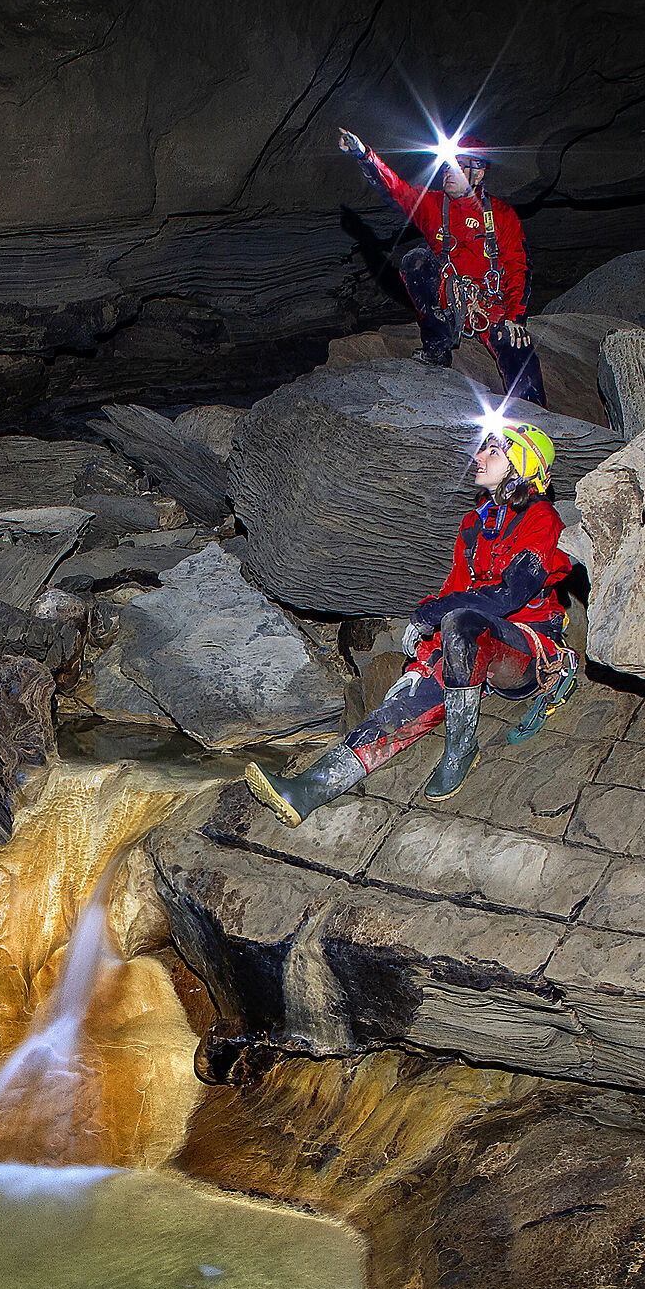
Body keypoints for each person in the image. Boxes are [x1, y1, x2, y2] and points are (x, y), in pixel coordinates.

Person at [246, 421, 579, 826]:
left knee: (461, 620)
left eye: (492, 451)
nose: (478, 457)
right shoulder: (474, 525)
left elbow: (508, 597)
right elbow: (455, 588)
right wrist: (421, 665)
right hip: (469, 649)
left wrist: (431, 614)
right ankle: (306, 790)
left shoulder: (542, 519)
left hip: (525, 649)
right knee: (397, 710)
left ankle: (460, 749)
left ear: (521, 463)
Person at [338, 127, 545, 407]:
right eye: (447, 165)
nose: (448, 171)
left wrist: (515, 318)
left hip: (488, 305)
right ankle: (438, 347)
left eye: (458, 166)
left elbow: (517, 267)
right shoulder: (433, 205)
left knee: (517, 348)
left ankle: (531, 426)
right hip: (450, 298)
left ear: (478, 173)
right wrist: (364, 156)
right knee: (416, 261)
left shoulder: (501, 216)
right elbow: (396, 189)